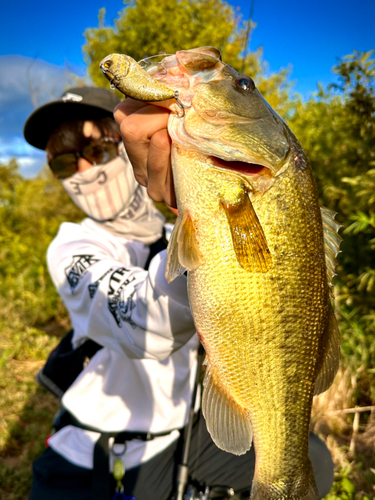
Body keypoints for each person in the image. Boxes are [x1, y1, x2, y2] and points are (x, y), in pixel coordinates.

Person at [23, 87, 334, 500]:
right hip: (92, 450)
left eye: (96, 150)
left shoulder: (177, 229)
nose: (85, 171)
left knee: (313, 460)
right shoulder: (71, 247)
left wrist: (197, 213)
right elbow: (144, 325)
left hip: (181, 436)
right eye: (64, 164)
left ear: (130, 145)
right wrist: (211, 234)